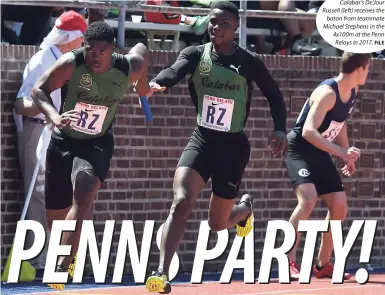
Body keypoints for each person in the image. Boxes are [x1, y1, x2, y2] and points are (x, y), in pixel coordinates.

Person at [144, 2, 288, 293]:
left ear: (235, 27)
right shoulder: (196, 54)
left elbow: (274, 95)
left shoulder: (249, 62)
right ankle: (161, 272)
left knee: (217, 224)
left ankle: (244, 208)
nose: (216, 27)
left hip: (233, 148)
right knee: (182, 201)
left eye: (223, 23)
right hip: (202, 140)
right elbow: (174, 71)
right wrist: (158, 84)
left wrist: (280, 129)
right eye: (212, 22)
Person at [31, 21, 150, 290]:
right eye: (90, 49)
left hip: (97, 142)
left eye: (102, 51)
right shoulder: (71, 63)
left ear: (112, 50)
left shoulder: (126, 67)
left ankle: (61, 266)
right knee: (55, 218)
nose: (95, 56)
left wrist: (142, 88)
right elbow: (39, 90)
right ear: (83, 45)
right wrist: (55, 116)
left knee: (84, 193)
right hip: (64, 140)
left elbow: (143, 49)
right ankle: (70, 254)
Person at [284, 52, 371, 280]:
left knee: (340, 205)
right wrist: (341, 152)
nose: (368, 74)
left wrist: (346, 155)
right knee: (308, 200)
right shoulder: (327, 93)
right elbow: (308, 131)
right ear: (360, 69)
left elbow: (340, 123)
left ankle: (323, 265)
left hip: (320, 151)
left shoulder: (352, 90)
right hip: (299, 148)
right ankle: (288, 261)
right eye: (368, 69)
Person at [13, 10, 86, 279]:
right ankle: (38, 259)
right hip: (37, 130)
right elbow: (21, 103)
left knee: (58, 195)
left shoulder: (70, 60)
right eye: (82, 38)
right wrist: (47, 113)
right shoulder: (42, 60)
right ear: (71, 37)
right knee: (38, 195)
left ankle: (59, 257)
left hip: (59, 132)